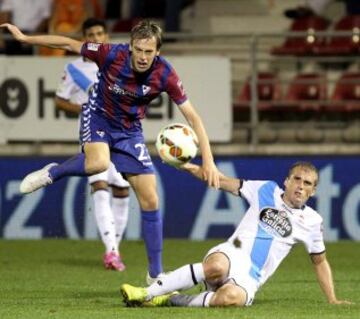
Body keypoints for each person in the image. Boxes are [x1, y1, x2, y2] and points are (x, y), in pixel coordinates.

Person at [0, 20, 220, 283]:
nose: (142, 57)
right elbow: (69, 44)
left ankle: (155, 276)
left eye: (149, 52)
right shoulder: (110, 54)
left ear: (157, 52)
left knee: (150, 199)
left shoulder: (165, 74)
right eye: (138, 50)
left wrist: (209, 161)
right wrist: (26, 38)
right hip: (98, 117)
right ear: (130, 47)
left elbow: (194, 118)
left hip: (129, 131)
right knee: (98, 164)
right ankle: (54, 172)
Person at [121, 161, 352, 307]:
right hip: (232, 253)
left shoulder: (312, 221)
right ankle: (145, 292)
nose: (301, 186)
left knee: (230, 299)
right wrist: (189, 166)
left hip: (251, 276)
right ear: (287, 181)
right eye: (297, 179)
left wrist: (332, 299)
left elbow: (319, 262)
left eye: (307, 183)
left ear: (313, 190)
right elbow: (221, 181)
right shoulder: (265, 189)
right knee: (216, 267)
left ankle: (170, 299)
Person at [55, 17, 129, 271]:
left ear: (106, 36)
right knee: (99, 184)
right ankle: (111, 251)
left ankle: (114, 249)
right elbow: (59, 100)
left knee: (121, 190)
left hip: (121, 133)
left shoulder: (119, 63)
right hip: (93, 133)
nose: (96, 38)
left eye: (100, 33)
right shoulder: (75, 69)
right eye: (91, 34)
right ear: (85, 39)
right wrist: (83, 106)